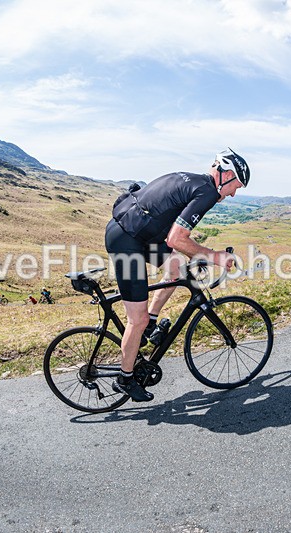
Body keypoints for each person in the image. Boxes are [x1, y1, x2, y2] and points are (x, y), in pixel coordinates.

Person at [105, 148, 249, 402]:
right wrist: (213, 256)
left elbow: (173, 236)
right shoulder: (206, 192)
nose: (233, 193)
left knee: (176, 269)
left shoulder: (195, 181)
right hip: (127, 240)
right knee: (134, 320)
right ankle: (125, 378)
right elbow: (176, 239)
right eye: (234, 186)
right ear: (224, 175)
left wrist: (198, 255)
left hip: (141, 233)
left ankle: (151, 321)